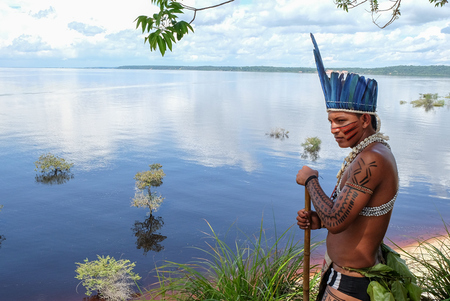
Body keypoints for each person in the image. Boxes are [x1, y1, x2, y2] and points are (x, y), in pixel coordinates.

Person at [296, 34, 399, 301]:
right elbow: (346, 218)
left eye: (341, 120)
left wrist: (310, 181)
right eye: (330, 121)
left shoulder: (371, 159)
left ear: (365, 119)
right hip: (343, 275)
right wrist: (318, 222)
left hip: (353, 283)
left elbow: (336, 220)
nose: (334, 130)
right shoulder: (367, 153)